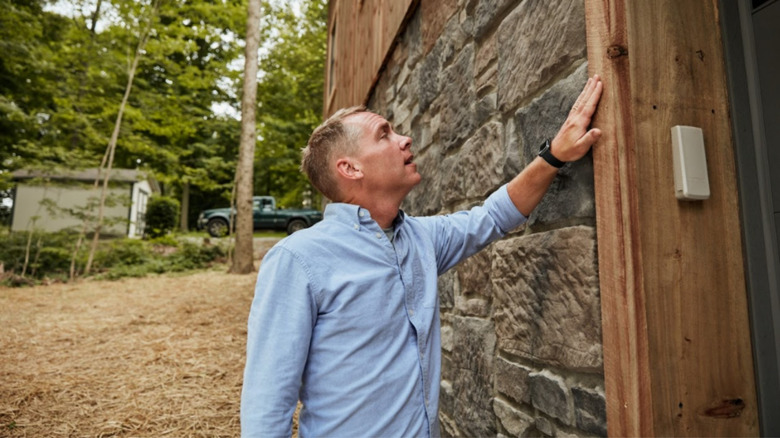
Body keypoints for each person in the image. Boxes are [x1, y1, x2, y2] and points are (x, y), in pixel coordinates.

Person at [240, 75, 604, 437]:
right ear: (350, 168)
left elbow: (492, 217)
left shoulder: (420, 239)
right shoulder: (298, 259)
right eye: (384, 134)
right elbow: (267, 404)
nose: (405, 139)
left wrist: (554, 155)